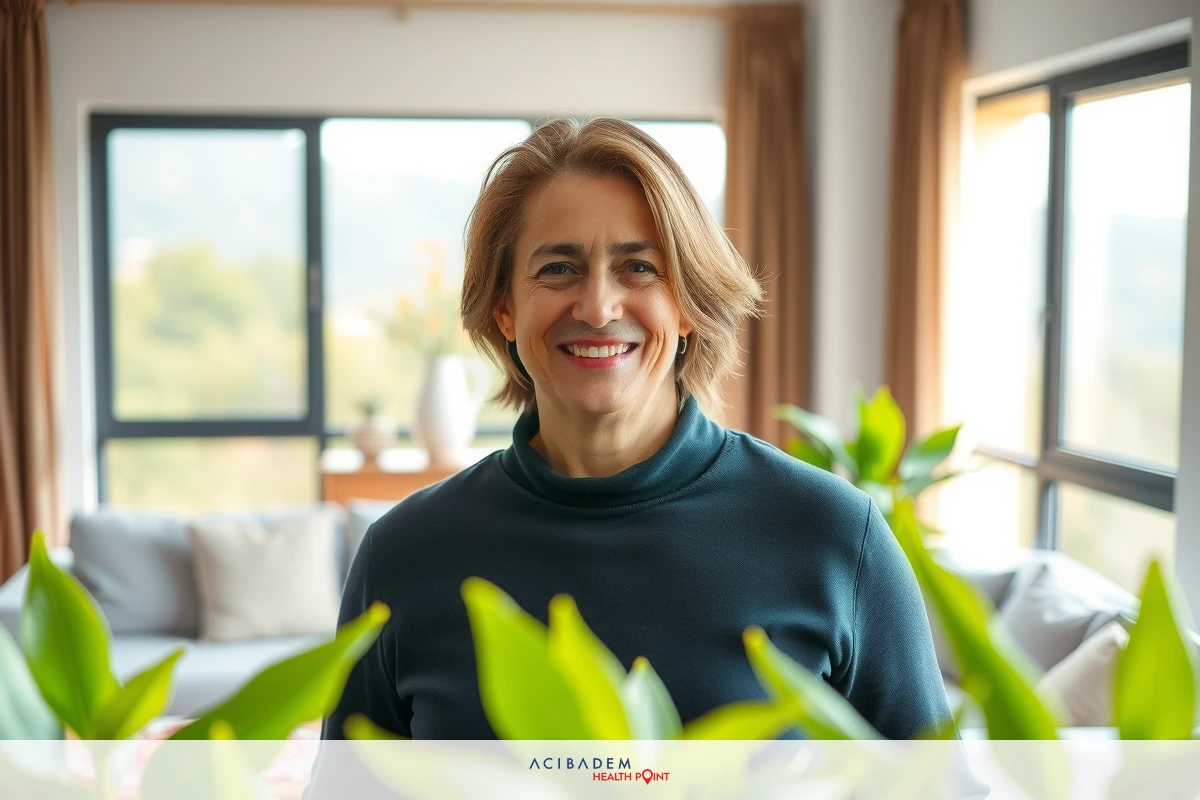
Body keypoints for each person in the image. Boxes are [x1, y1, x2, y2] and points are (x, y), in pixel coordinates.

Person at [320, 117, 950, 742]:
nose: (597, 307)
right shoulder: (402, 556)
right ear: (504, 308)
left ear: (688, 304)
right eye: (558, 268)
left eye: (639, 268)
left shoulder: (835, 536)